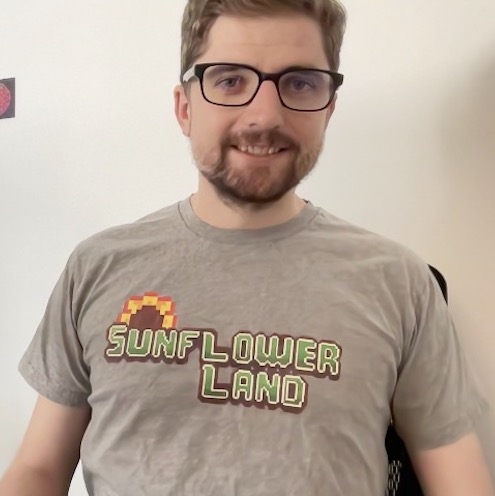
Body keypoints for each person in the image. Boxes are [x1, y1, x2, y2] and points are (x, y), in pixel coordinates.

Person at [0, 0, 493, 495]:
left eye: (299, 83)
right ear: (185, 108)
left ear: (328, 108)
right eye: (231, 80)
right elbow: (39, 468)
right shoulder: (97, 267)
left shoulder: (400, 283)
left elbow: (460, 480)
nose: (264, 115)